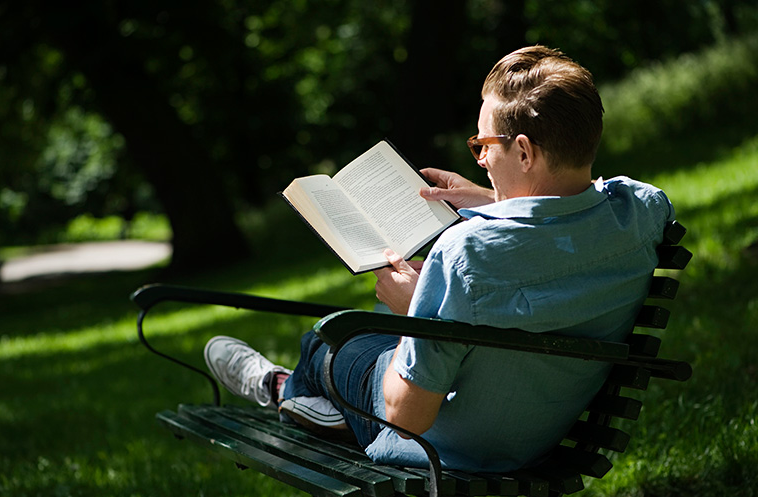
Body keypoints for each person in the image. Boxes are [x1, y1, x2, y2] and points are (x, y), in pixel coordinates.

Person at [203, 45, 675, 472]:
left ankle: (282, 388)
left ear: (525, 152)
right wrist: (495, 201)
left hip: (451, 451)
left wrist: (415, 316)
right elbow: (574, 204)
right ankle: (316, 402)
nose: (481, 160)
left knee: (330, 340)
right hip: (544, 435)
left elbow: (406, 416)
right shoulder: (641, 210)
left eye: (483, 146)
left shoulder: (466, 255)